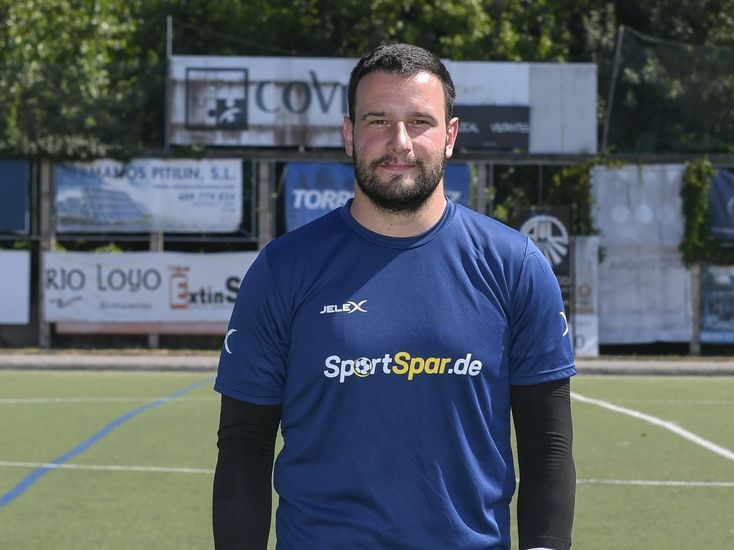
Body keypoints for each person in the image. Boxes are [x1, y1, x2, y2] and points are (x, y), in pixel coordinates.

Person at [213, 43, 576, 549]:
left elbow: (548, 447)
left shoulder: (514, 266)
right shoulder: (284, 269)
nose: (399, 142)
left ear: (450, 136)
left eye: (420, 121)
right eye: (378, 120)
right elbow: (243, 448)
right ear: (349, 134)